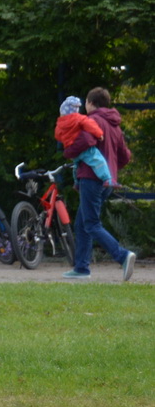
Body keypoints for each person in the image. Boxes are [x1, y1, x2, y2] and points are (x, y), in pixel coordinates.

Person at [62, 86, 136, 282]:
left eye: (86, 102)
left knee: (92, 224)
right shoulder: (114, 126)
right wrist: (111, 168)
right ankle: (81, 268)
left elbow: (85, 141)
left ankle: (122, 256)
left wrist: (68, 152)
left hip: (91, 178)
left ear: (90, 103)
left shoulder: (92, 120)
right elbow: (125, 156)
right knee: (81, 223)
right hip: (107, 181)